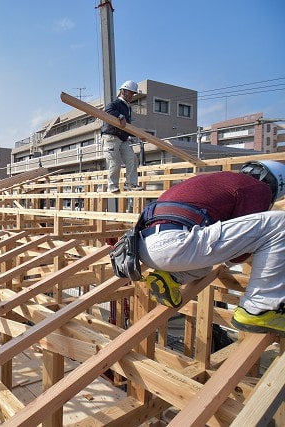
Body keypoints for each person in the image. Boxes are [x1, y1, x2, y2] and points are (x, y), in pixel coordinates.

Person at [136, 159, 285, 336]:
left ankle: (170, 277)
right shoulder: (258, 188)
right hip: (176, 243)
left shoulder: (218, 181)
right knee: (280, 222)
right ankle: (261, 308)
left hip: (145, 246)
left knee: (206, 264)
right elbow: (237, 256)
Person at [101, 80, 144, 193]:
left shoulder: (127, 107)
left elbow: (126, 126)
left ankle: (131, 183)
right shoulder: (116, 103)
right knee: (115, 162)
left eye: (133, 93)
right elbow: (107, 110)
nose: (132, 95)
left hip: (122, 139)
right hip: (111, 137)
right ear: (123, 91)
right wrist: (119, 115)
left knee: (132, 159)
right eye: (130, 92)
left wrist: (139, 135)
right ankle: (112, 185)